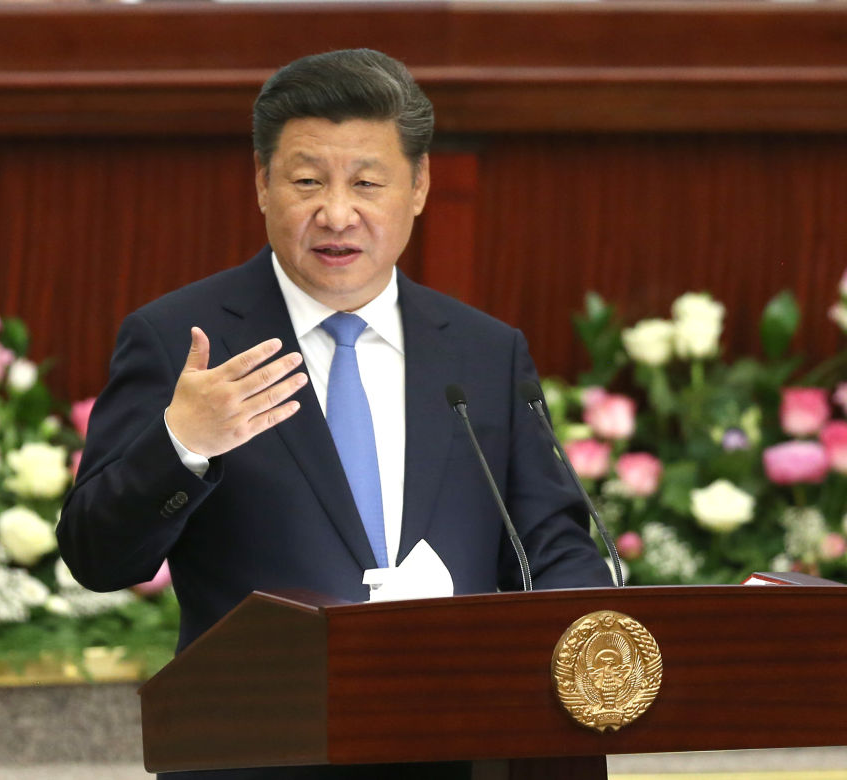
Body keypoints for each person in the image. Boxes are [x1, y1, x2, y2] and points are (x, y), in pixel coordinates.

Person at [57, 48, 613, 780]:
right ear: (262, 184)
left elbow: (554, 548)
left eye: (367, 183)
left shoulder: (484, 352)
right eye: (307, 181)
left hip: (462, 751)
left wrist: (590, 645)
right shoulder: (183, 341)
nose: (338, 214)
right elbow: (98, 557)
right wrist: (182, 443)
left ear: (419, 186)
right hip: (262, 757)